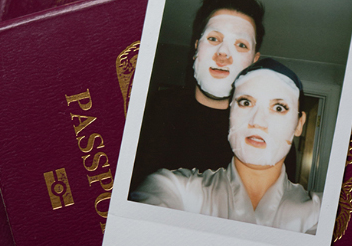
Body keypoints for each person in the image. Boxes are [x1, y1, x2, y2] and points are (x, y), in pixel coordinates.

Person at [130, 58, 320, 234]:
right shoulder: (173, 188)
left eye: (278, 107)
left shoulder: (319, 213)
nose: (258, 121)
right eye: (246, 102)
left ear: (298, 124)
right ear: (230, 115)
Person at [131, 0, 279, 183]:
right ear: (196, 48)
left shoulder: (269, 136)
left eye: (241, 45)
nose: (223, 54)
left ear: (254, 60)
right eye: (213, 38)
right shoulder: (151, 111)